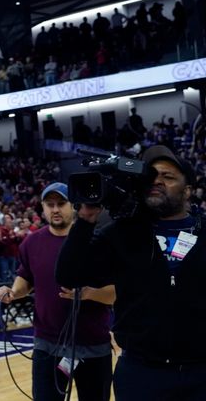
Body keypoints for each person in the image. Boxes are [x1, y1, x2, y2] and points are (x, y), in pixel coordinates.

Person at [57, 145, 206, 400]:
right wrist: (86, 218)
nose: (157, 181)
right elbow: (69, 276)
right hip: (140, 374)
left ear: (188, 190)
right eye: (151, 177)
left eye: (168, 177)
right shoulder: (121, 234)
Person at [0, 183, 114, 401]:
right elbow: (26, 278)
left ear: (74, 206)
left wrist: (88, 294)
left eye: (61, 203)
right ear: (42, 208)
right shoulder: (32, 242)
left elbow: (115, 293)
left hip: (92, 342)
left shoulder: (97, 241)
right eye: (49, 204)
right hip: (47, 344)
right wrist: (13, 292)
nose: (55, 209)